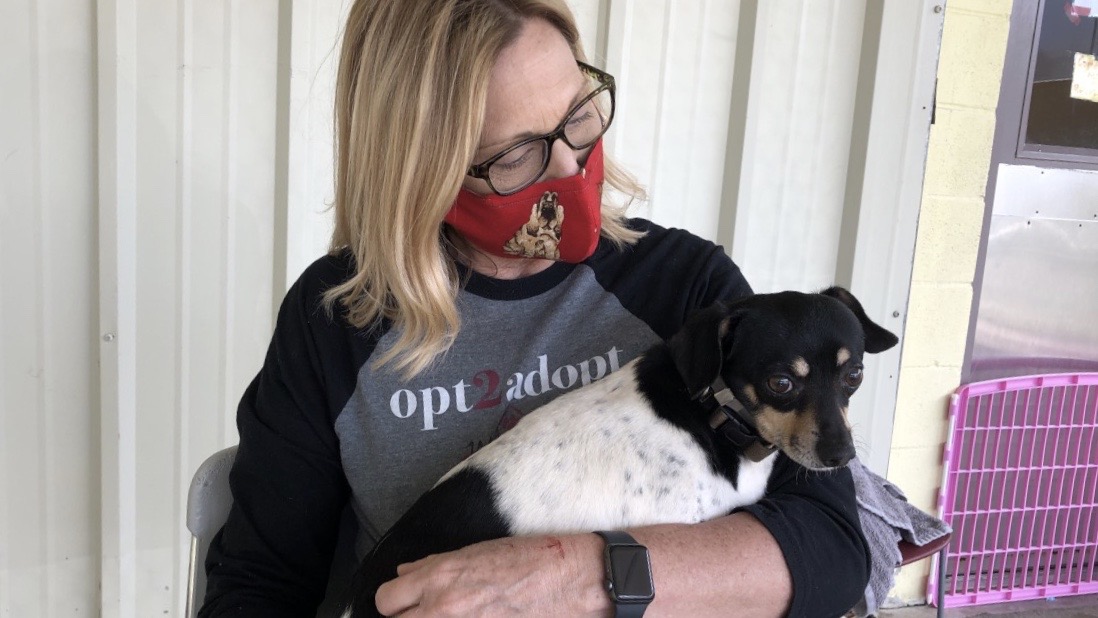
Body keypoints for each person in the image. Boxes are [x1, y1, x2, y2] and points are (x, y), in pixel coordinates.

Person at [199, 0, 869, 616]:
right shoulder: (340, 321)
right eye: (517, 154)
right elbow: (260, 587)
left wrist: (580, 574)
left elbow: (833, 545)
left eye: (578, 116)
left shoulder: (686, 291)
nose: (571, 169)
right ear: (419, 164)